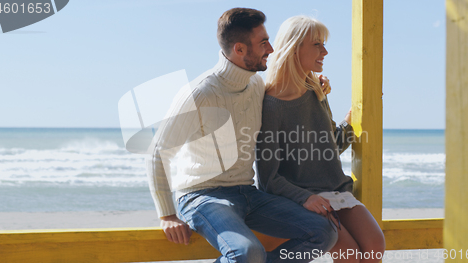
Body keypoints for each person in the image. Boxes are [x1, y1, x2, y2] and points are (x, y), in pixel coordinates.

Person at [147, 8, 337, 263]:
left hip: (248, 193)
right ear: (239, 50)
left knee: (323, 232)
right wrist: (167, 215)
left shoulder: (257, 85)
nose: (271, 48)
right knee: (248, 253)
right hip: (202, 196)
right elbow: (158, 152)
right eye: (263, 43)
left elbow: (286, 88)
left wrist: (315, 83)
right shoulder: (199, 93)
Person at [256, 16, 385, 263]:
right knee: (350, 256)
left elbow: (332, 145)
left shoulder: (316, 88)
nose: (325, 51)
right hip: (302, 199)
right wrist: (306, 198)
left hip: (336, 190)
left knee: (375, 247)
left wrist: (352, 120)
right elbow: (268, 178)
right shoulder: (270, 106)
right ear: (294, 48)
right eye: (317, 44)